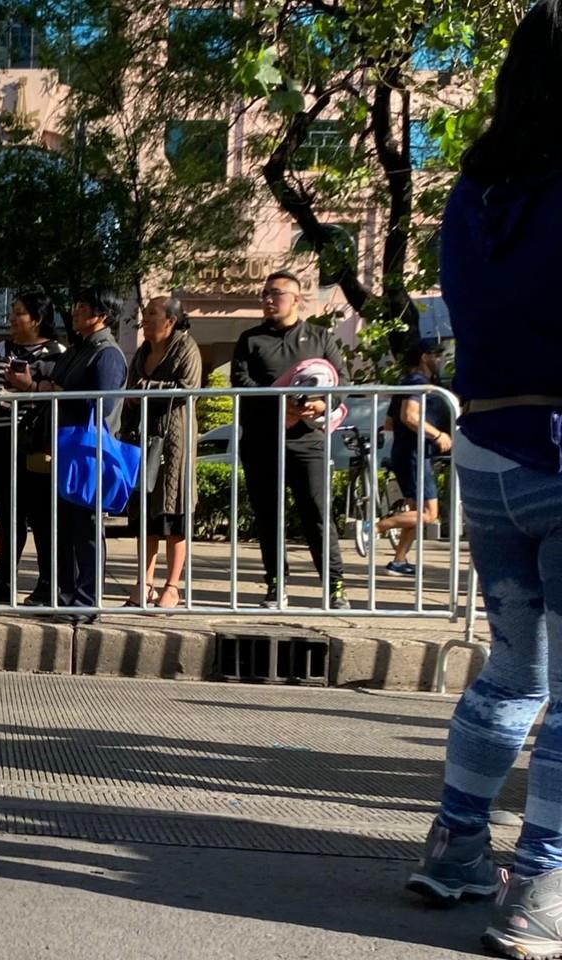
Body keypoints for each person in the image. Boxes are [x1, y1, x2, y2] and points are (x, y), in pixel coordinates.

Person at [404, 5, 562, 955]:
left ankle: (458, 845)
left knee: (513, 668)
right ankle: (540, 883)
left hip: (488, 453)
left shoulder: (478, 187)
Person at [6, 287, 127, 623]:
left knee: (86, 529)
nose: (74, 311)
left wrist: (57, 392)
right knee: (62, 527)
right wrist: (37, 387)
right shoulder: (78, 349)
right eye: (75, 305)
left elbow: (103, 404)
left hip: (88, 450)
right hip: (64, 447)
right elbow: (56, 387)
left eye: (83, 306)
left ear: (101, 314)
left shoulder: (107, 354)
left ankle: (87, 602)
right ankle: (64, 597)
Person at [231, 270, 351, 610]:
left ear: (297, 299)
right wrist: (284, 402)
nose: (269, 300)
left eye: (277, 293)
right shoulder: (250, 339)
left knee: (316, 513)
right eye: (265, 293)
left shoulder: (320, 337)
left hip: (307, 442)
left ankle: (335, 587)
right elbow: (241, 383)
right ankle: (275, 585)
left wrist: (320, 403)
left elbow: (342, 383)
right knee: (269, 516)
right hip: (261, 441)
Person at [0, 292, 67, 604]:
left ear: (36, 319)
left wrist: (27, 386)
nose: (11, 318)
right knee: (9, 512)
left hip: (33, 440)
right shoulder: (0, 348)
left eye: (19, 313)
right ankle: (4, 580)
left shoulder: (56, 352)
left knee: (40, 513)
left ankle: (48, 583)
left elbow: (60, 391)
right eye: (12, 312)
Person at [120, 297, 202, 609]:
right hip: (143, 438)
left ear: (170, 320)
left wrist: (144, 388)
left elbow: (187, 387)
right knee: (146, 515)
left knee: (174, 513)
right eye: (144, 314)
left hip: (174, 442)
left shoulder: (186, 347)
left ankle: (172, 586)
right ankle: (144, 582)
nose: (145, 319)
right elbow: (130, 392)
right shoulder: (141, 353)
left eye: (152, 314)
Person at [356, 338, 451, 575]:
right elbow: (409, 416)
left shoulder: (405, 383)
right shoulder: (418, 383)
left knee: (415, 513)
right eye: (436, 355)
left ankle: (399, 561)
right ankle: (374, 527)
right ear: (424, 357)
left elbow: (389, 423)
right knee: (429, 514)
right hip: (414, 455)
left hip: (410, 454)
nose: (440, 360)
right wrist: (437, 434)